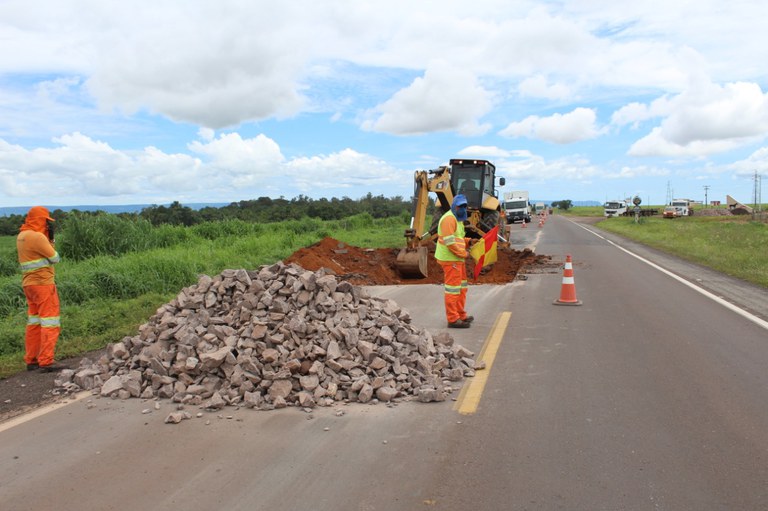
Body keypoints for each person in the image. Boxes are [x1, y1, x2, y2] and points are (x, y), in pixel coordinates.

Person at [16, 206, 63, 372]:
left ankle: (32, 359)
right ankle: (46, 361)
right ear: (41, 220)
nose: (47, 225)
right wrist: (50, 240)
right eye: (46, 221)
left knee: (34, 323)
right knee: (50, 322)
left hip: (29, 285)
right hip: (43, 284)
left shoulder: (22, 236)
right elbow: (55, 258)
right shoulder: (37, 237)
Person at [435, 194, 475, 328]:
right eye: (460, 206)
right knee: (453, 290)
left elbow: (458, 238)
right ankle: (452, 319)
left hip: (457, 259)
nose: (463, 209)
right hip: (450, 259)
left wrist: (469, 241)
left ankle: (460, 314)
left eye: (464, 206)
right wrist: (463, 253)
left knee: (461, 288)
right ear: (454, 206)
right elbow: (450, 242)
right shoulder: (448, 219)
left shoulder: (457, 219)